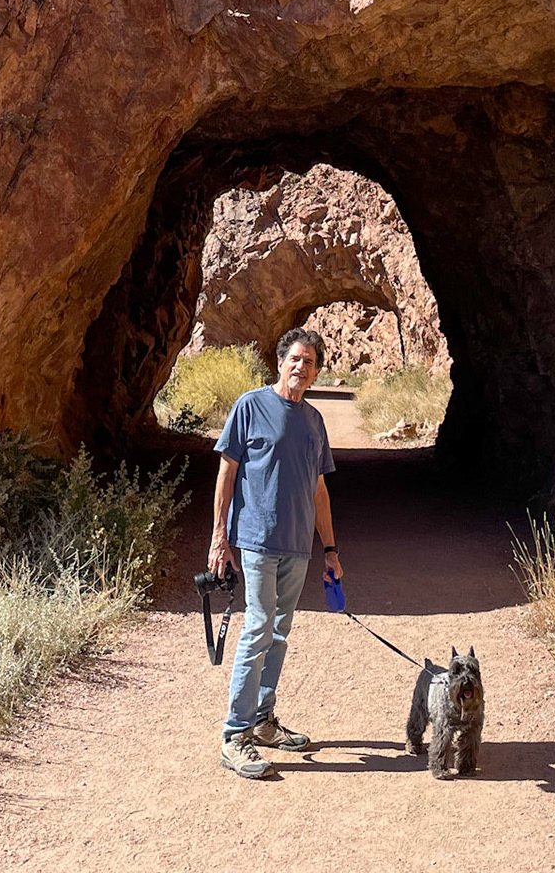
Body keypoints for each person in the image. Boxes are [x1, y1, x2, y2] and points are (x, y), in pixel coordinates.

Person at [210, 327, 343, 779]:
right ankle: (235, 735)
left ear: (317, 371)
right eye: (295, 359)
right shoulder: (250, 406)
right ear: (280, 362)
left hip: (297, 545)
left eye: (310, 362)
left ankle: (264, 720)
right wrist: (218, 538)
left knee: (279, 632)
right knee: (259, 628)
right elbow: (226, 474)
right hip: (257, 540)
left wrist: (330, 549)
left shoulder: (314, 422)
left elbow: (319, 490)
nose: (301, 368)